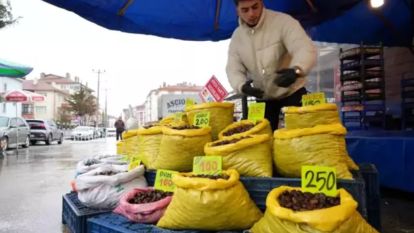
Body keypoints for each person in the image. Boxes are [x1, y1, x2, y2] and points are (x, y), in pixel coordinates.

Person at [226, 0, 317, 131]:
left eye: (255, 7)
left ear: (262, 3)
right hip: (264, 98)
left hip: (293, 93)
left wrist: (297, 70)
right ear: (237, 10)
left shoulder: (283, 22)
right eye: (245, 10)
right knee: (262, 141)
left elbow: (304, 47)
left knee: (301, 138)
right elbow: (233, 68)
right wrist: (242, 86)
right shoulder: (237, 38)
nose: (251, 14)